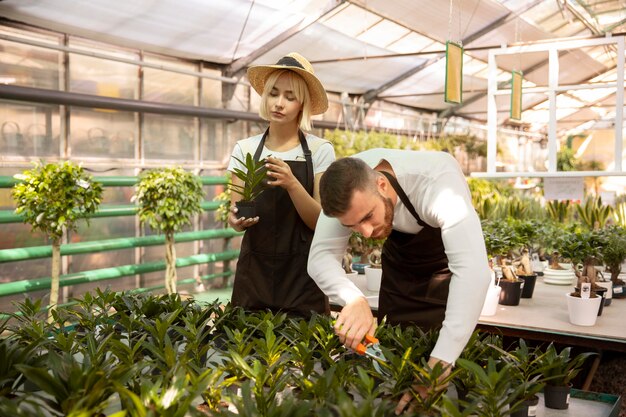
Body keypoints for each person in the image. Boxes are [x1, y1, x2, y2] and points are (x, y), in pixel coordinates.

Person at [307, 149, 491, 413]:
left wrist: (440, 364)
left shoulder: (437, 184)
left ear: (381, 184)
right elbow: (320, 256)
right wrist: (353, 298)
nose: (367, 233)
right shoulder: (343, 189)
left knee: (445, 374)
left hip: (443, 271)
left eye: (368, 217)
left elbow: (473, 272)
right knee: (397, 367)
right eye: (353, 227)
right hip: (400, 268)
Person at [227, 52, 335, 317]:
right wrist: (236, 220)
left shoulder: (321, 150)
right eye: (273, 93)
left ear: (303, 104)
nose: (279, 103)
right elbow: (234, 211)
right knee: (246, 353)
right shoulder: (245, 149)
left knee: (304, 356)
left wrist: (292, 183)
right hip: (255, 276)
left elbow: (321, 221)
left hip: (303, 277)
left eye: (290, 97)